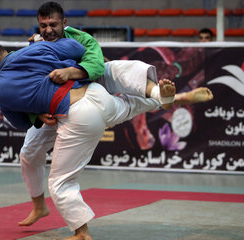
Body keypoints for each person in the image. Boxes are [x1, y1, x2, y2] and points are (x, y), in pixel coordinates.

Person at [18, 1, 214, 236]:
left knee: (119, 69)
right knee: (28, 154)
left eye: (53, 24)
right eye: (43, 25)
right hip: (54, 107)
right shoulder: (34, 45)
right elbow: (26, 86)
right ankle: (39, 206)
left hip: (87, 90)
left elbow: (96, 64)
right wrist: (37, 115)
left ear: (64, 23)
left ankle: (161, 95)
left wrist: (72, 71)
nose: (48, 30)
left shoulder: (81, 38)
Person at [0, 39, 175, 240]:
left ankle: (82, 233)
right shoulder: (39, 47)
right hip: (96, 93)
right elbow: (79, 49)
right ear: (6, 51)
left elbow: (21, 123)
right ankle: (158, 98)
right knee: (126, 104)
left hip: (76, 114)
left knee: (60, 182)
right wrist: (70, 70)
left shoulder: (0, 90)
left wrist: (36, 115)